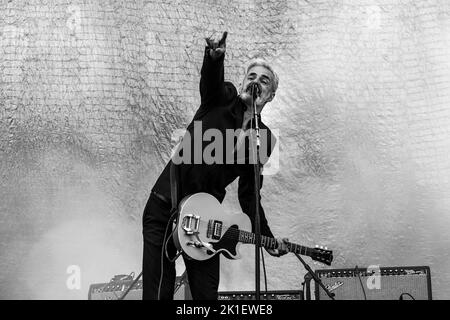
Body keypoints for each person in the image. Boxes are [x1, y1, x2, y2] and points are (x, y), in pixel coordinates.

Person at [142, 31, 288, 300]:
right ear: (244, 82)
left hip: (205, 218)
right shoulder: (224, 98)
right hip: (165, 206)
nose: (256, 82)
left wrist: (266, 239)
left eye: (264, 81)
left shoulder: (264, 139)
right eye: (252, 77)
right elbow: (211, 83)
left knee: (207, 296)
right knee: (158, 291)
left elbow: (249, 195)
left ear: (270, 95)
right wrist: (213, 59)